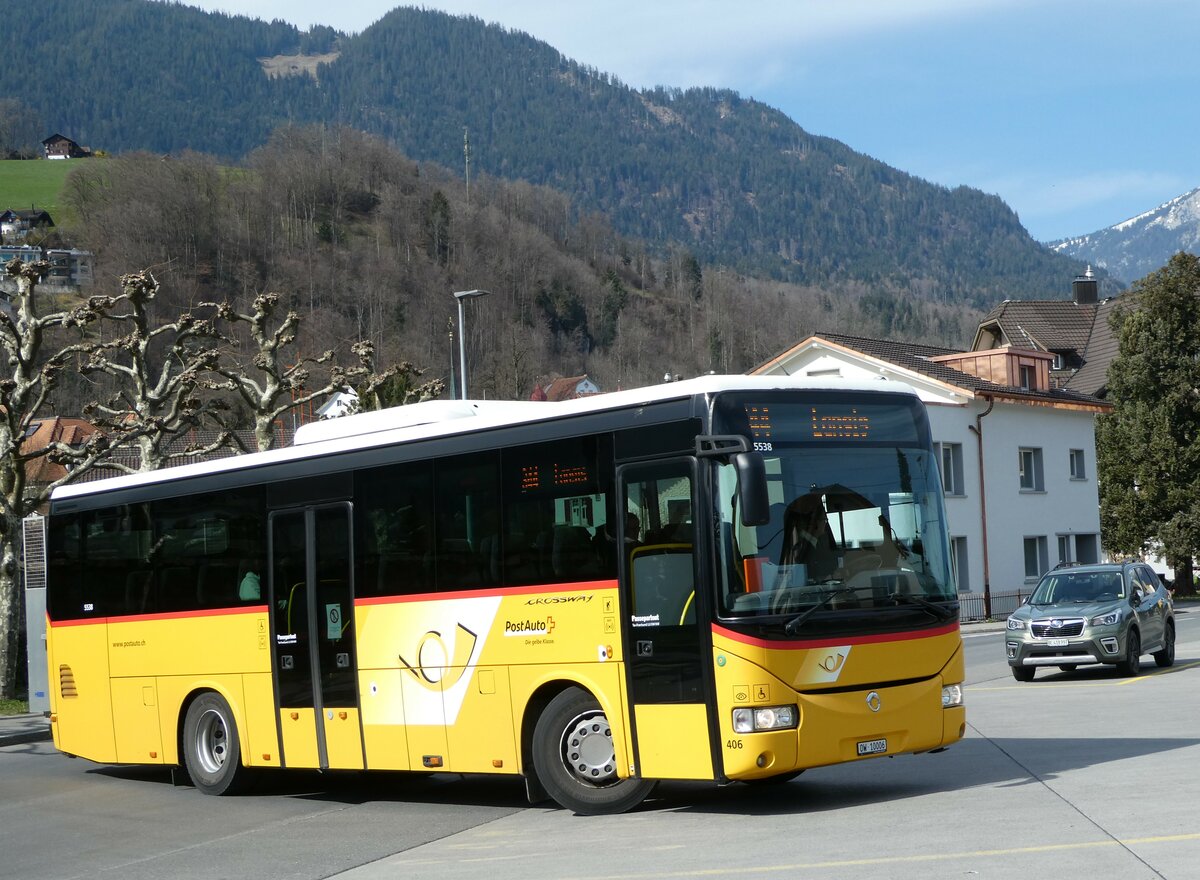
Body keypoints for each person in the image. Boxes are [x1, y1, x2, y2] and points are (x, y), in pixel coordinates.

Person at [779, 494, 839, 582]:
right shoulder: (798, 547)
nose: (825, 524)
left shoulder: (822, 542)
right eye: (824, 520)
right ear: (814, 524)